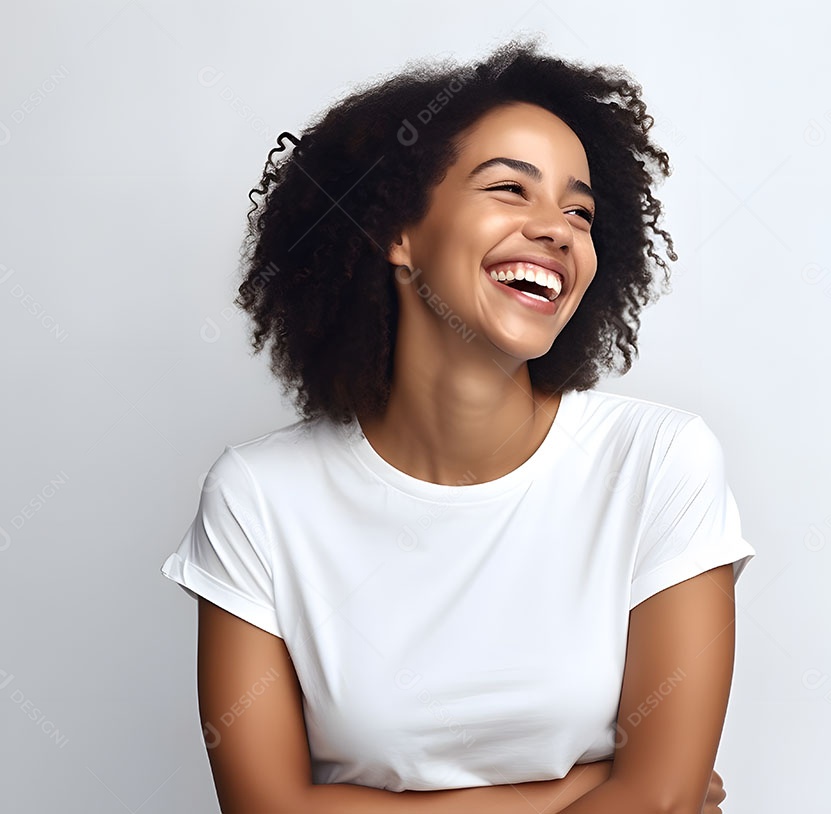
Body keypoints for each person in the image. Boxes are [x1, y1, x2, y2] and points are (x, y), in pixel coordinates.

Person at [161, 37, 752, 814]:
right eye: (511, 189)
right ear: (394, 232)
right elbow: (263, 809)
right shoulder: (260, 499)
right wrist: (574, 793)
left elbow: (664, 799)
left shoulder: (657, 462)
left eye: (580, 210)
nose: (559, 230)